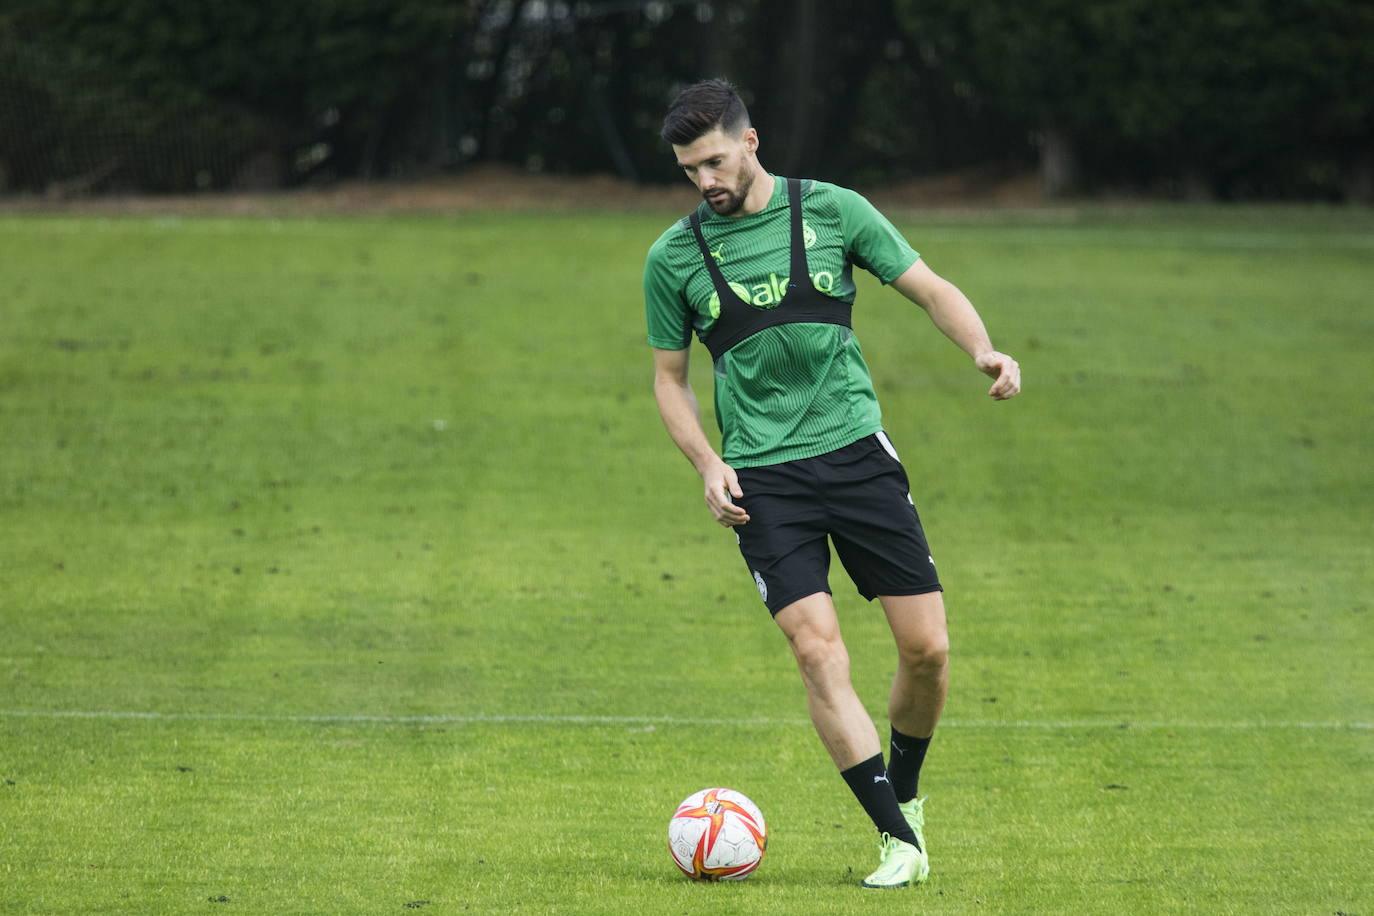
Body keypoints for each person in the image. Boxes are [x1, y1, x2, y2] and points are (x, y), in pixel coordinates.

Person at [643, 78, 1021, 889]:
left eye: (713, 161)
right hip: (763, 480)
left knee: (927, 652)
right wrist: (710, 463)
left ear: (750, 142)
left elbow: (928, 287)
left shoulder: (834, 210)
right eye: (688, 170)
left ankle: (906, 797)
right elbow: (669, 381)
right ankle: (898, 841)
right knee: (817, 651)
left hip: (856, 456)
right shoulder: (674, 258)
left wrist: (984, 351)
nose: (704, 181)